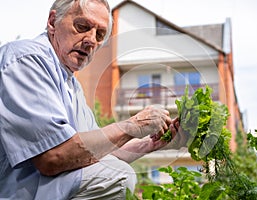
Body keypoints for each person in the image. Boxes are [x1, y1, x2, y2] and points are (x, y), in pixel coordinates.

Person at [0, 0, 186, 199]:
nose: (90, 40)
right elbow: (53, 157)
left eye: (99, 35)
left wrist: (149, 144)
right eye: (82, 27)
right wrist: (133, 125)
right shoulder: (26, 60)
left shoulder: (72, 85)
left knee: (115, 170)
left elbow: (95, 154)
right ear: (53, 22)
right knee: (118, 176)